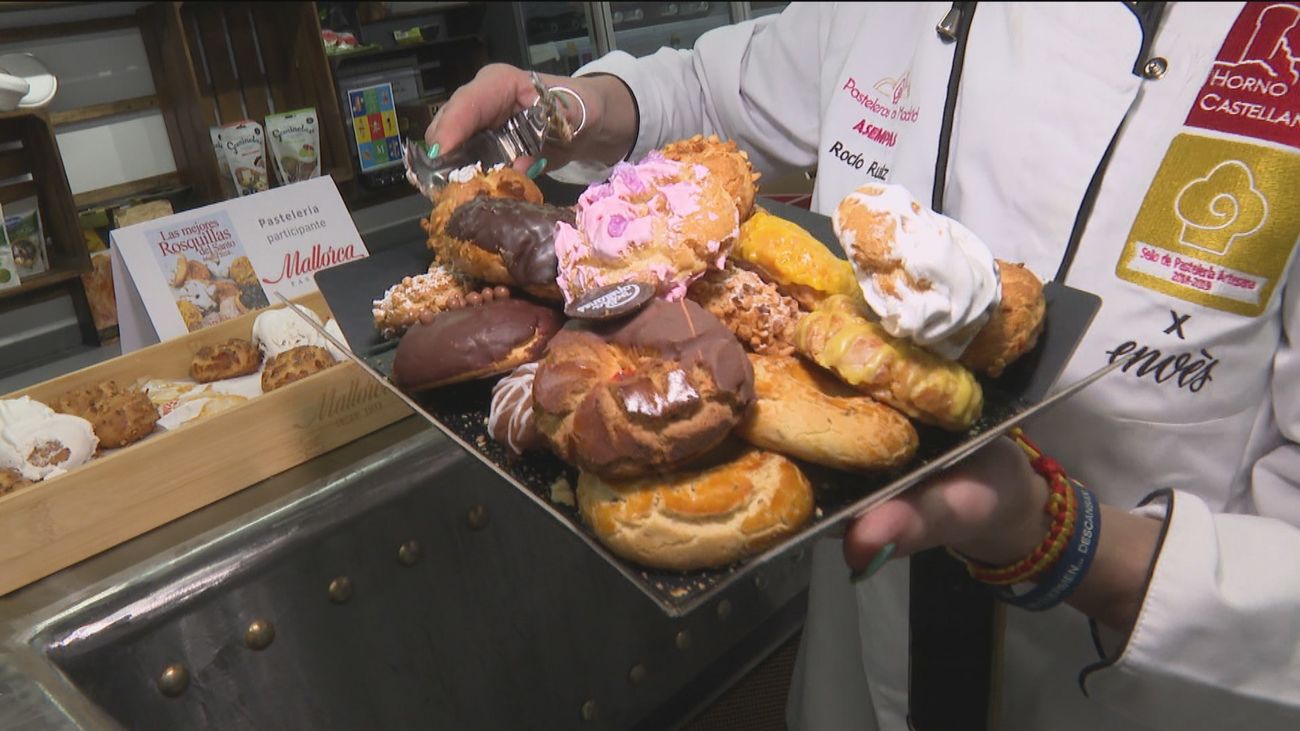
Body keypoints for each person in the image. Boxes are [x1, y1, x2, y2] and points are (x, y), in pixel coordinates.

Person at [425, 3, 1300, 729]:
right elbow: (709, 87)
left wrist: (1065, 543)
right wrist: (562, 107)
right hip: (862, 615)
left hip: (1119, 666)